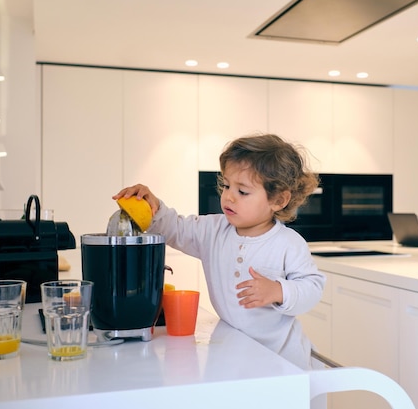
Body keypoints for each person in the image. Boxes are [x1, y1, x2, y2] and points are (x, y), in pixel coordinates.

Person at [113, 133, 325, 369]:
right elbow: (176, 229)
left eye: (242, 191)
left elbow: (313, 287)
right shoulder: (213, 230)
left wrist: (279, 290)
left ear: (278, 199)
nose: (229, 196)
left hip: (283, 359)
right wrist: (153, 206)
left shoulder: (288, 243)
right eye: (226, 185)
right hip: (236, 351)